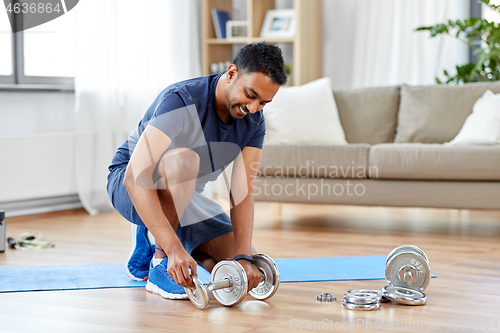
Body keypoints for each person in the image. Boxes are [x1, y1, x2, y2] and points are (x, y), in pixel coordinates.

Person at [106, 42, 287, 299]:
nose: (253, 108)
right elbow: (135, 178)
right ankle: (160, 262)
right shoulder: (183, 99)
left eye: (263, 103)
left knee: (234, 262)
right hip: (131, 183)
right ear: (232, 72)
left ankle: (160, 237)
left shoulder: (254, 122)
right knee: (185, 160)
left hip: (185, 197)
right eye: (250, 94)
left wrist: (243, 256)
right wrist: (172, 251)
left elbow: (242, 192)